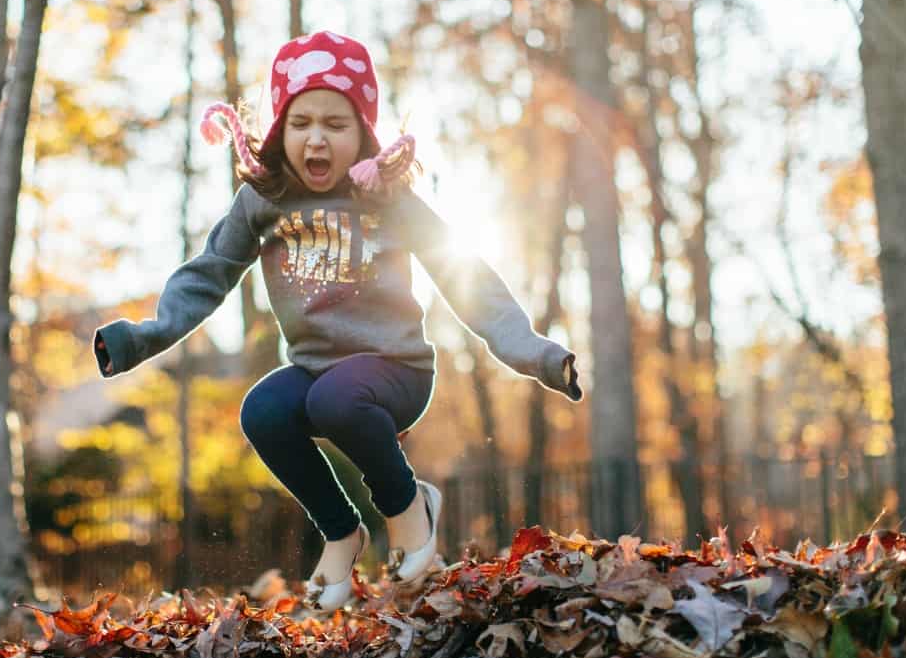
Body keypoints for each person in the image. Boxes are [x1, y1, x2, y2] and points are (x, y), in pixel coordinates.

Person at [93, 30, 582, 612]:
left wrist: (535, 353)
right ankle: (341, 531)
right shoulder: (263, 201)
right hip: (316, 372)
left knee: (336, 399)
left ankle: (407, 507)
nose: (316, 139)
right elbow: (208, 274)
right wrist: (142, 337)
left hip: (395, 372)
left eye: (335, 124)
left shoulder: (389, 200)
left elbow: (466, 277)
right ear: (279, 133)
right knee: (265, 410)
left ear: (363, 134)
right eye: (301, 124)